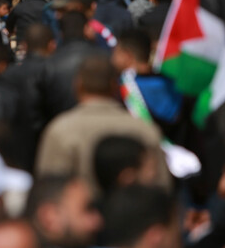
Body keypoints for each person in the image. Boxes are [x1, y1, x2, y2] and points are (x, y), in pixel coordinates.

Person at [35, 54, 169, 193]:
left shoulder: (59, 131)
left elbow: (48, 192)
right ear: (115, 87)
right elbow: (162, 188)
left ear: (78, 85)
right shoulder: (145, 129)